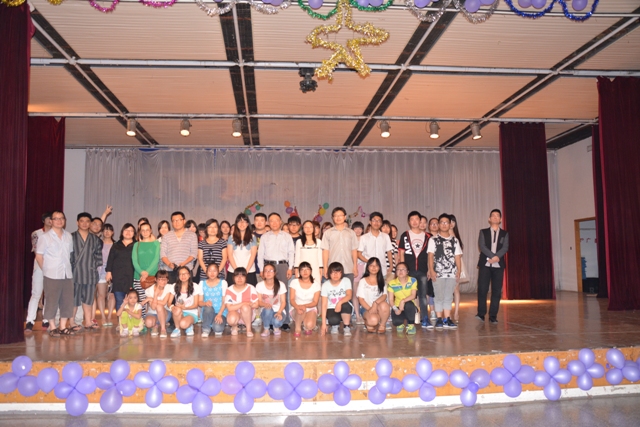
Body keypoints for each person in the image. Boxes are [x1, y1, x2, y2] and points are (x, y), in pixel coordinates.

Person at [36, 210, 75, 337]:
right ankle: (52, 327)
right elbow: (39, 256)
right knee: (52, 301)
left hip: (67, 274)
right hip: (52, 274)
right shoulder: (45, 237)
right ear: (51, 221)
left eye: (61, 218)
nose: (59, 221)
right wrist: (46, 270)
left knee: (67, 301)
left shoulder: (68, 236)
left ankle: (63, 326)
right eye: (56, 218)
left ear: (65, 220)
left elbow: (69, 254)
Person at [257, 213, 294, 328]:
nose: (274, 223)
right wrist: (261, 269)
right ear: (268, 223)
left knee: (283, 293)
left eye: (276, 220)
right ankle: (268, 319)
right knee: (269, 294)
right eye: (271, 220)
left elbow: (291, 253)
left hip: (283, 266)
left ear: (281, 222)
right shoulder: (264, 237)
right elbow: (260, 254)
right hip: (268, 266)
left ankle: (285, 321)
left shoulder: (287, 236)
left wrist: (290, 268)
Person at [357, 212, 393, 325]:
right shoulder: (364, 237)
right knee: (367, 293)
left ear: (381, 223)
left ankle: (385, 318)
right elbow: (359, 253)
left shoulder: (385, 236)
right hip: (369, 270)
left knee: (383, 293)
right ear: (370, 222)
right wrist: (370, 263)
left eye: (379, 221)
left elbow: (389, 252)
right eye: (374, 220)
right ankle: (368, 314)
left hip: (382, 269)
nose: (376, 222)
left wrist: (391, 265)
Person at [427, 214, 462, 330]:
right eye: (441, 222)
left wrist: (459, 270)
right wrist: (431, 270)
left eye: (446, 222)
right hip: (438, 273)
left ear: (450, 225)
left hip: (451, 273)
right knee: (439, 296)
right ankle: (439, 318)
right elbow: (430, 256)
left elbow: (457, 257)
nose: (444, 224)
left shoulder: (455, 240)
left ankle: (447, 319)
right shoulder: (433, 240)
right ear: (438, 224)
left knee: (448, 296)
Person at [70, 212, 103, 332]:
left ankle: (88, 321)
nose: (84, 223)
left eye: (87, 221)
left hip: (90, 273)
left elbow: (98, 257)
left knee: (88, 299)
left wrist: (94, 269)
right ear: (77, 222)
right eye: (82, 221)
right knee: (74, 300)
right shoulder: (70, 237)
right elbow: (67, 256)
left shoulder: (95, 239)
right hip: (75, 273)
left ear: (90, 223)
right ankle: (72, 322)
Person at [398, 211, 431, 328]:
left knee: (422, 296)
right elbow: (402, 253)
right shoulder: (405, 235)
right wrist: (403, 269)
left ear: (420, 220)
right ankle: (409, 319)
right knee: (408, 295)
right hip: (409, 270)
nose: (415, 221)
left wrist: (430, 269)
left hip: (423, 270)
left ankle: (425, 318)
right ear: (409, 222)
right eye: (412, 219)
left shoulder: (428, 237)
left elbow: (430, 255)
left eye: (417, 219)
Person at [476, 209, 510, 324]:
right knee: (482, 289)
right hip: (485, 264)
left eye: (497, 216)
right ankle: (481, 314)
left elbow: (505, 247)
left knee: (496, 291)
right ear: (489, 219)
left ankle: (493, 316)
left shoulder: (505, 234)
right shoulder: (483, 232)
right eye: (493, 215)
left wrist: (496, 258)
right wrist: (492, 256)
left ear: (500, 219)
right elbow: (482, 246)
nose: (495, 217)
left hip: (498, 265)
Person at [25, 212, 52, 332]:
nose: (51, 221)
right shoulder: (37, 233)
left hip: (53, 269)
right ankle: (30, 321)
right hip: (40, 268)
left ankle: (46, 319)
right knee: (36, 293)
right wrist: (44, 267)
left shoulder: (57, 234)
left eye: (53, 218)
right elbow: (37, 253)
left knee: (49, 294)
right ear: (43, 220)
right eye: (49, 218)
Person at [321, 208, 358, 289]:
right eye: (335, 216)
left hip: (348, 268)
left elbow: (354, 250)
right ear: (332, 218)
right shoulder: (328, 233)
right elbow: (325, 251)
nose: (338, 218)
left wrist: (355, 266)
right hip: (333, 269)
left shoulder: (351, 233)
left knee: (348, 292)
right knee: (333, 292)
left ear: (345, 217)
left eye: (340, 215)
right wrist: (325, 267)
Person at [160, 212, 198, 283]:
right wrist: (169, 264)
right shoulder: (166, 236)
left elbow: (194, 253)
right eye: (174, 221)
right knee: (171, 289)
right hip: (170, 271)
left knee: (186, 289)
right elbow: (163, 254)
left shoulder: (192, 235)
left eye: (179, 220)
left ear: (184, 221)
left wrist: (184, 263)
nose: (176, 222)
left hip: (186, 270)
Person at [220, 268, 259, 337]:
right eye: (237, 276)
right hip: (235, 314)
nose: (240, 278)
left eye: (242, 276)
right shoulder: (229, 289)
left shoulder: (251, 288)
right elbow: (229, 308)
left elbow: (256, 305)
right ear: (233, 278)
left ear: (246, 278)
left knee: (245, 307)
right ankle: (234, 327)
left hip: (248, 314)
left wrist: (248, 305)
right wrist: (244, 303)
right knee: (232, 319)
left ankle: (248, 329)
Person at [106, 223, 136, 313]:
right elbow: (110, 259)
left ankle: (132, 319)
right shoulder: (116, 245)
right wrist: (108, 272)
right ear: (122, 232)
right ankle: (121, 320)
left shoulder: (137, 245)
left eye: (131, 231)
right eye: (126, 230)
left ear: (134, 233)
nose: (128, 232)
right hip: (118, 277)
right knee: (119, 300)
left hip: (132, 277)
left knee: (132, 301)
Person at [132, 222, 160, 318]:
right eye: (143, 230)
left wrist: (147, 272)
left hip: (152, 276)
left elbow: (156, 259)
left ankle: (151, 321)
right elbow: (134, 260)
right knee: (140, 300)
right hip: (138, 276)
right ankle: (141, 320)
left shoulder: (156, 244)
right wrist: (141, 272)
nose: (145, 232)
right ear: (140, 231)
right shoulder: (136, 245)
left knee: (151, 300)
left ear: (151, 230)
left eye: (147, 230)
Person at [357, 258, 390, 334]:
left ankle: (382, 324)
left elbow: (384, 295)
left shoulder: (382, 280)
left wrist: (375, 303)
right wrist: (370, 309)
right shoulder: (362, 281)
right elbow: (360, 299)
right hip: (366, 308)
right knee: (373, 321)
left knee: (385, 305)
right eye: (371, 265)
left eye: (376, 265)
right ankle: (369, 322)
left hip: (379, 307)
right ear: (367, 267)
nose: (374, 268)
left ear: (379, 268)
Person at [320, 262, 353, 336]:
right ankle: (334, 326)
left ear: (342, 273)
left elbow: (349, 295)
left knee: (346, 305)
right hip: (331, 307)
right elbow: (324, 304)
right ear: (329, 273)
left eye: (338, 272)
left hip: (343, 305)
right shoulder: (325, 285)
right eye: (333, 272)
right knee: (333, 320)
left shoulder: (346, 281)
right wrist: (323, 324)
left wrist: (339, 303)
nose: (335, 275)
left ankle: (346, 326)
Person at [289, 262, 321, 337]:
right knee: (301, 310)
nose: (305, 272)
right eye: (302, 270)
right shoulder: (294, 282)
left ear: (311, 271)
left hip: (310, 307)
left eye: (307, 269)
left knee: (309, 325)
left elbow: (315, 302)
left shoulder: (316, 284)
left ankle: (306, 323)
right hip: (296, 308)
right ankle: (297, 328)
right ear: (299, 272)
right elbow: (292, 299)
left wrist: (305, 306)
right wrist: (297, 307)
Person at [387, 262, 418, 335]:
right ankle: (401, 323)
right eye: (398, 269)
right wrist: (395, 309)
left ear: (407, 271)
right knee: (396, 322)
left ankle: (411, 325)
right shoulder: (391, 283)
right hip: (398, 306)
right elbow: (391, 300)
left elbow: (413, 295)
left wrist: (403, 301)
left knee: (409, 304)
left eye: (403, 269)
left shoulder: (413, 280)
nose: (400, 271)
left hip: (409, 305)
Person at [256, 264, 287, 337]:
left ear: (275, 273)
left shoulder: (281, 284)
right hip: (266, 312)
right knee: (268, 309)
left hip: (278, 310)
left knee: (277, 322)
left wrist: (279, 312)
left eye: (271, 270)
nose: (268, 272)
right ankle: (266, 329)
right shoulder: (259, 285)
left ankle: (276, 328)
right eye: (266, 271)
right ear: (263, 273)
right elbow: (259, 302)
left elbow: (283, 302)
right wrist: (265, 304)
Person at [227, 213, 258, 285]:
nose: (242, 223)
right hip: (233, 271)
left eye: (244, 221)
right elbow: (230, 255)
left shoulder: (253, 237)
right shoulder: (231, 237)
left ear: (247, 224)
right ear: (236, 224)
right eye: (239, 221)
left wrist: (246, 271)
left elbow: (253, 255)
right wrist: (236, 271)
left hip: (249, 271)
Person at [170, 266, 202, 337]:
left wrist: (185, 308)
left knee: (183, 324)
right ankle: (177, 329)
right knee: (177, 309)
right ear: (178, 276)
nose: (183, 276)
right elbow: (169, 302)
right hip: (179, 312)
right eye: (181, 274)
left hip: (191, 312)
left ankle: (189, 325)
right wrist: (172, 307)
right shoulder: (174, 286)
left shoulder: (195, 286)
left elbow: (196, 305)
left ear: (189, 275)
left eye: (185, 274)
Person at [199, 263, 228, 337]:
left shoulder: (223, 283)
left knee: (218, 329)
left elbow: (224, 302)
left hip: (220, 312)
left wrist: (219, 314)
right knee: (208, 308)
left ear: (218, 272)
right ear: (206, 272)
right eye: (210, 271)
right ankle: (206, 329)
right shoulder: (202, 283)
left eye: (214, 271)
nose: (212, 273)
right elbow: (200, 302)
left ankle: (213, 324)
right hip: (208, 312)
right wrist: (205, 303)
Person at [142, 270, 173, 338]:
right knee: (148, 323)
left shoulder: (168, 287)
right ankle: (155, 325)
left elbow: (164, 303)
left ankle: (163, 329)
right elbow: (153, 307)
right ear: (156, 279)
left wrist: (150, 299)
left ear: (167, 280)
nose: (163, 282)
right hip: (152, 313)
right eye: (160, 279)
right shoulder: (149, 290)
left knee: (159, 306)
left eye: (165, 280)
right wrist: (155, 294)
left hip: (165, 313)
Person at [97, 224, 115, 326]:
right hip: (100, 272)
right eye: (105, 230)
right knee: (101, 295)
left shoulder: (116, 244)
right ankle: (103, 317)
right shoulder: (98, 243)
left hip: (113, 272)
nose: (107, 232)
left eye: (109, 230)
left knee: (111, 295)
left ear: (113, 232)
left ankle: (109, 317)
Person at [449, 214, 464, 323]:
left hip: (457, 264)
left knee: (456, 289)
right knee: (448, 290)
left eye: (453, 222)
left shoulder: (456, 235)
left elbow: (460, 253)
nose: (451, 224)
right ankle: (448, 313)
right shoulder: (442, 235)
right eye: (449, 221)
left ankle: (456, 312)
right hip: (446, 265)